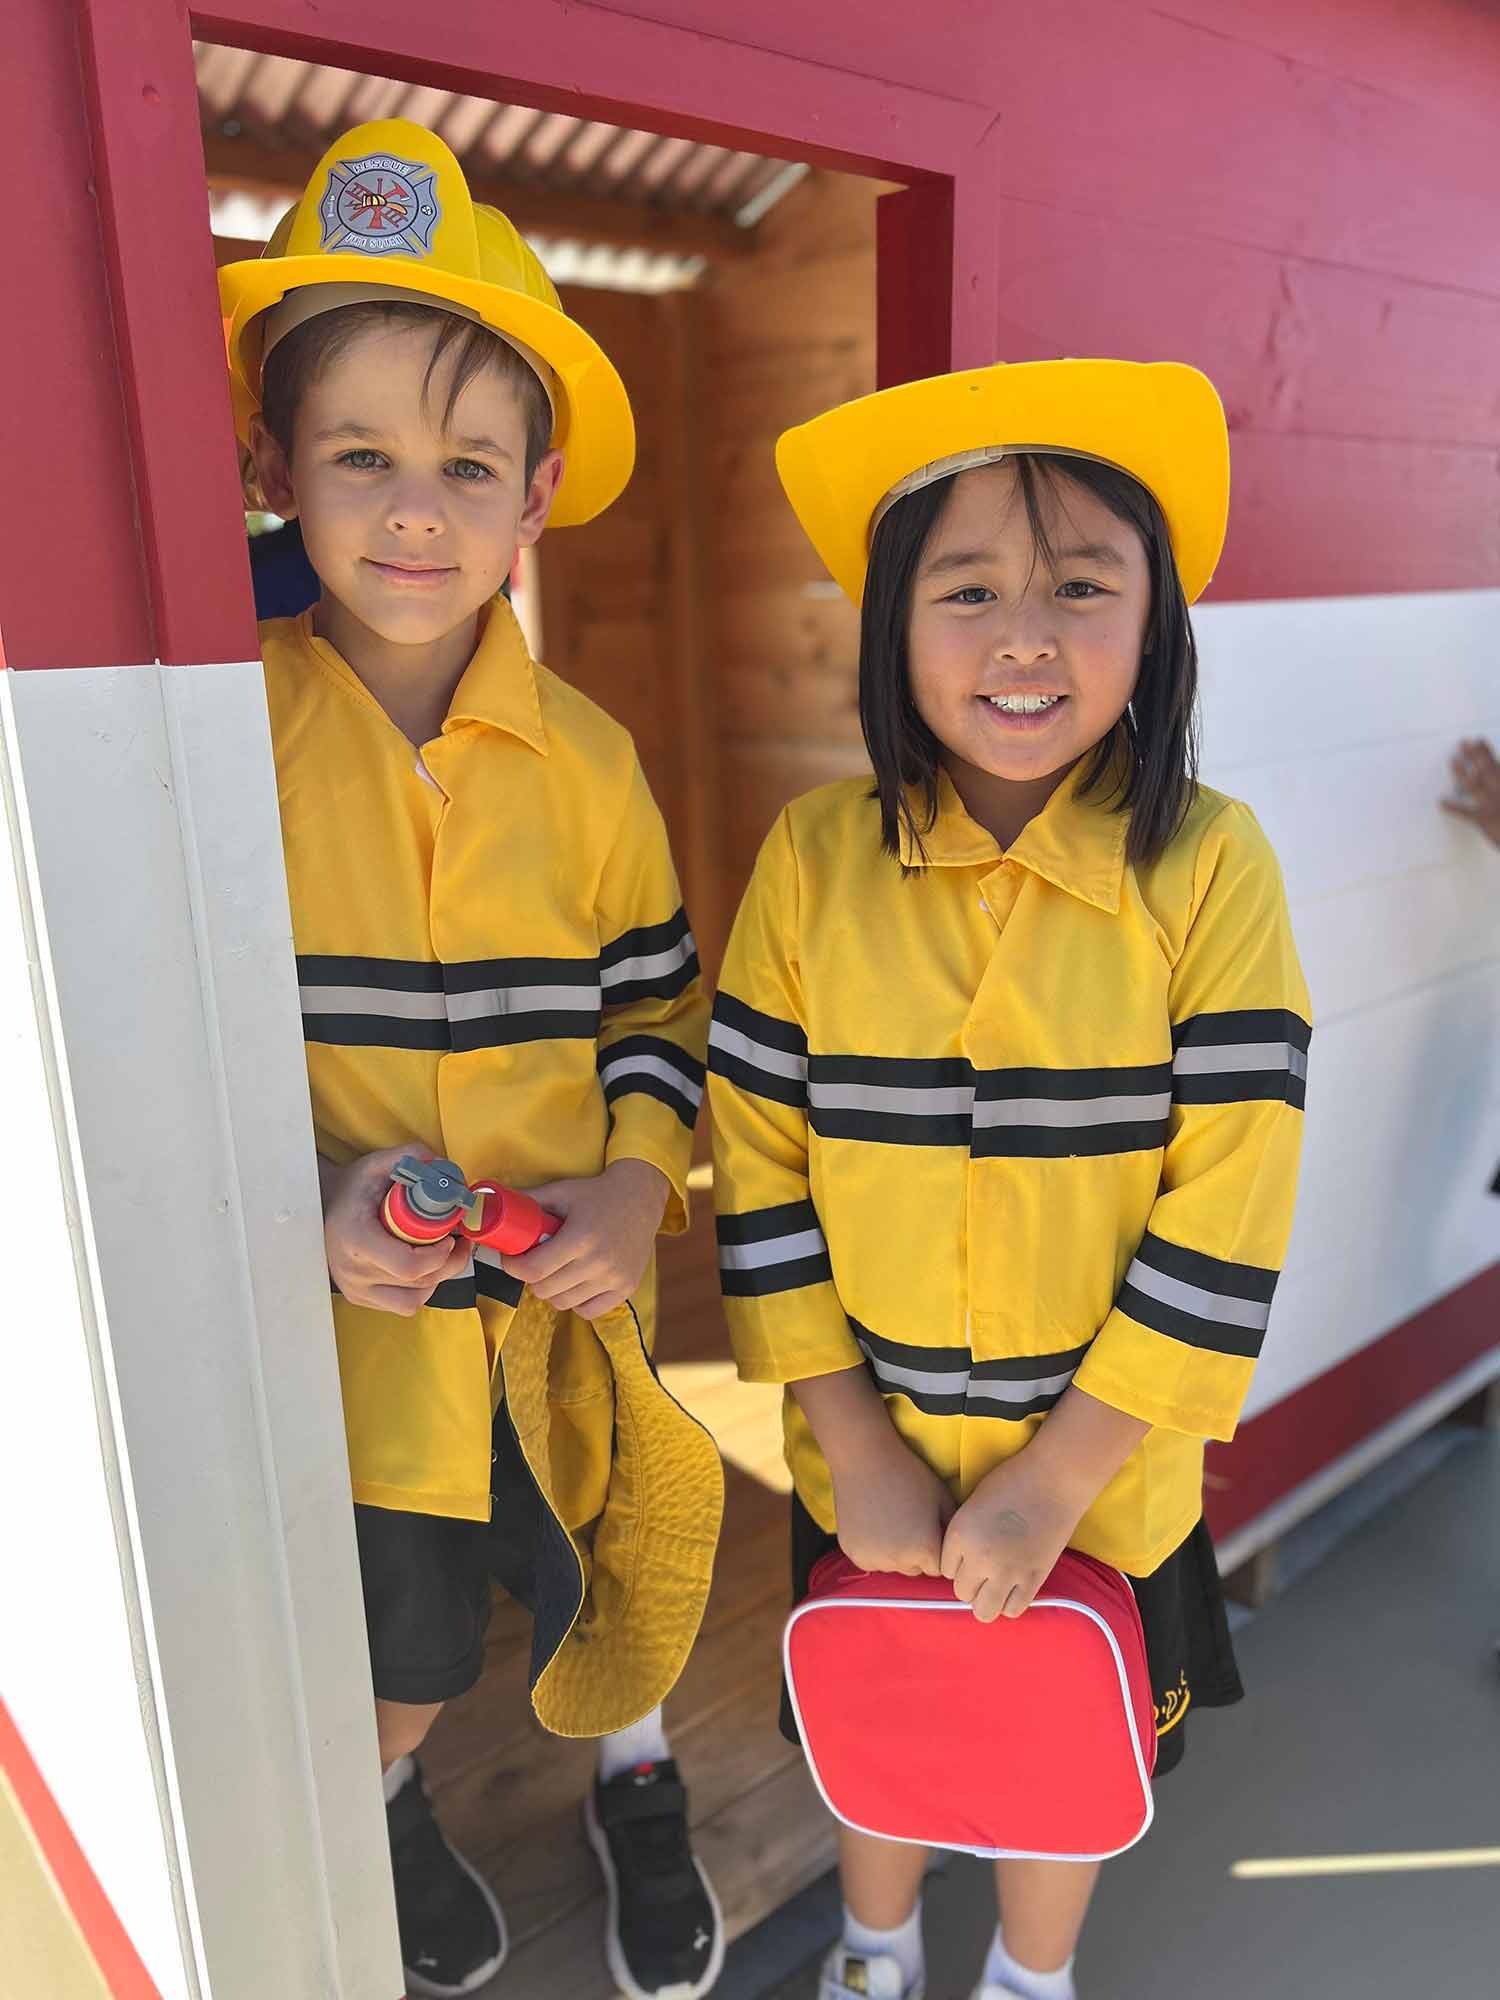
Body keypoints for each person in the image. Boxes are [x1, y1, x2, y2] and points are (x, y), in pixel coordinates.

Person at [707, 360, 1310, 2000]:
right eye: (968, 589)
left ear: (1158, 628)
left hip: (1110, 1493)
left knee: (1067, 1763)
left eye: (1081, 587)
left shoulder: (1209, 863)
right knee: (881, 1726)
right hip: (869, 1472)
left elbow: (1231, 1197)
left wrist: (1054, 1485)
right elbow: (756, 1169)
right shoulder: (812, 861)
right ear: (896, 628)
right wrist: (859, 1455)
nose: (1024, 635)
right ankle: (874, 1952)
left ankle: (1029, 1983)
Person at [218, 119, 725, 2000]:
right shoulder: (220, 741)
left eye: (465, 464)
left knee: (628, 1578)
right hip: (355, 1347)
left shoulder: (589, 762)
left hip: (567, 1312)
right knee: (404, 1647)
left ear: (540, 496)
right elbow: (173, 1043)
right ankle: (388, 1801)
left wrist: (632, 1178)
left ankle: (642, 1783)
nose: (411, 508)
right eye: (357, 456)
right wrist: (302, 1196)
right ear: (273, 471)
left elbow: (661, 1020)